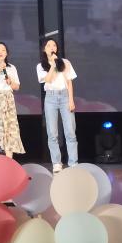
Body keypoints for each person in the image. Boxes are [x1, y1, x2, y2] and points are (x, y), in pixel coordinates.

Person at [36, 38, 78, 173]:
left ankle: (73, 163)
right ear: (44, 49)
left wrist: (71, 100)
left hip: (65, 96)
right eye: (48, 45)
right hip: (50, 98)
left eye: (54, 45)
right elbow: (48, 80)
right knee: (52, 133)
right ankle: (57, 163)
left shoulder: (65, 62)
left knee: (70, 131)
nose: (52, 47)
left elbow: (69, 82)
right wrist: (53, 65)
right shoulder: (40, 66)